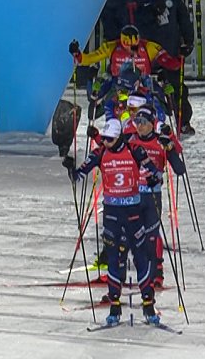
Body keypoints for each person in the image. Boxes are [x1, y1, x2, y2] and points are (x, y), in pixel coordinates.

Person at [70, 118, 163, 327]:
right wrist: (70, 168)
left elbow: (156, 175)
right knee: (114, 259)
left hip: (133, 212)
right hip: (112, 213)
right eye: (104, 138)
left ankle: (148, 304)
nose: (107, 142)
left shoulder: (135, 150)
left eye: (110, 139)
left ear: (119, 136)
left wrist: (152, 178)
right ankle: (114, 306)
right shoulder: (100, 152)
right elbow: (79, 176)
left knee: (141, 257)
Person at [122, 0, 195, 133]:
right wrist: (150, 13)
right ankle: (144, 123)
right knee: (144, 89)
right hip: (145, 54)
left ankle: (183, 121)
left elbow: (183, 19)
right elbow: (131, 23)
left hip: (170, 50)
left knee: (177, 87)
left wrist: (188, 42)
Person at [124, 107, 184, 288]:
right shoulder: (131, 140)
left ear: (152, 123)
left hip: (153, 195)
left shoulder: (160, 142)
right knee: (132, 235)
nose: (139, 126)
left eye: (143, 122)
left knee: (152, 234)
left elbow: (180, 169)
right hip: (133, 195)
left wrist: (171, 144)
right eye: (137, 122)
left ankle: (156, 273)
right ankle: (137, 275)